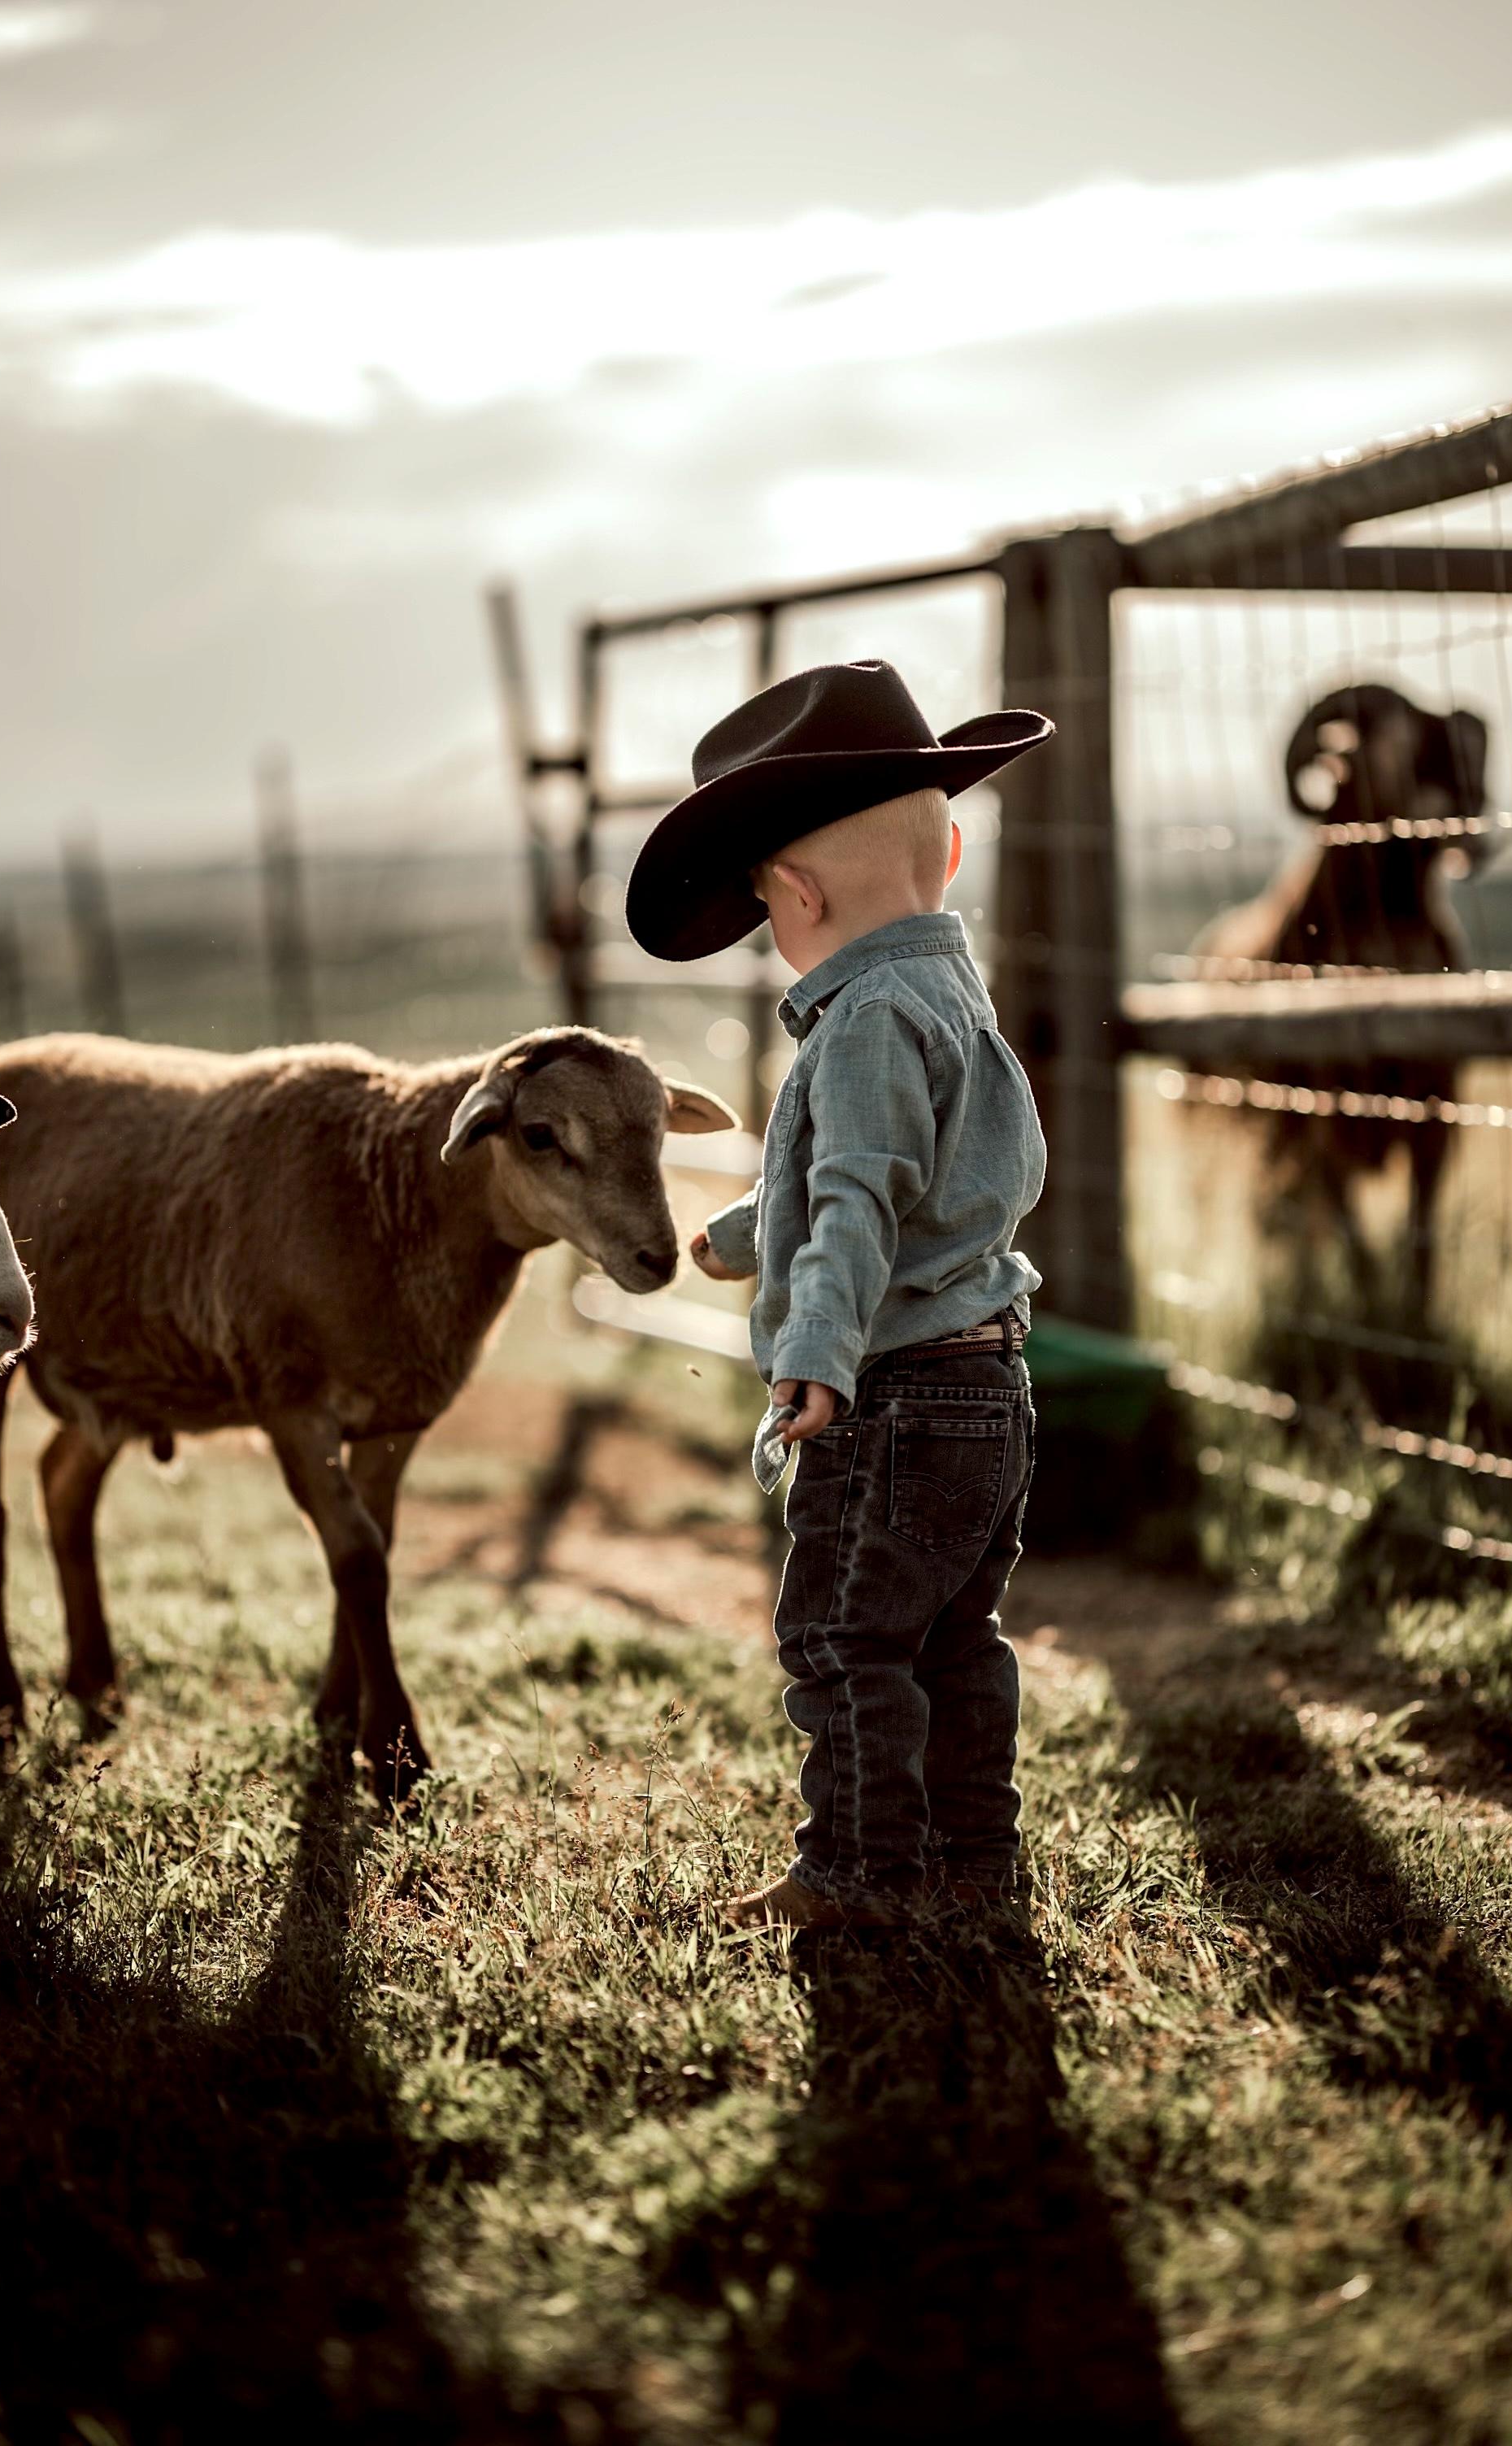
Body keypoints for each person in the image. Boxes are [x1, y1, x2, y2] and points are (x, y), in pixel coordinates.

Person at [625, 659, 1053, 1929]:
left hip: (894, 1400)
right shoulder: (953, 996)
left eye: (765, 907)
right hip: (989, 1388)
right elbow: (910, 1174)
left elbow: (863, 1200)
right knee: (956, 1642)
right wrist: (754, 1232)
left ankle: (858, 1878)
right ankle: (972, 1868)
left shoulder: (863, 1019)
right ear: (952, 852)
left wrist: (815, 1345)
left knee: (844, 1643)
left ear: (797, 893)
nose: (774, 927)